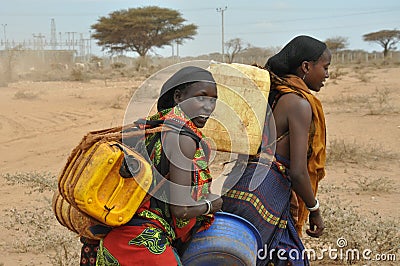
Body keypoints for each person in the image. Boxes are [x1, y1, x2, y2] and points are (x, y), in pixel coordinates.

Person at [81, 66, 223, 266]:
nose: (208, 106)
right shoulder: (183, 139)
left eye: (213, 100)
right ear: (178, 97)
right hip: (143, 243)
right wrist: (212, 205)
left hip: (119, 232)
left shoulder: (153, 128)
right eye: (201, 98)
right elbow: (181, 209)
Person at [222, 35, 330, 265]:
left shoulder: (270, 92)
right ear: (306, 67)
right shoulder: (298, 104)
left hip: (238, 185)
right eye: (325, 67)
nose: (327, 75)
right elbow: (299, 172)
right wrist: (315, 209)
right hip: (267, 191)